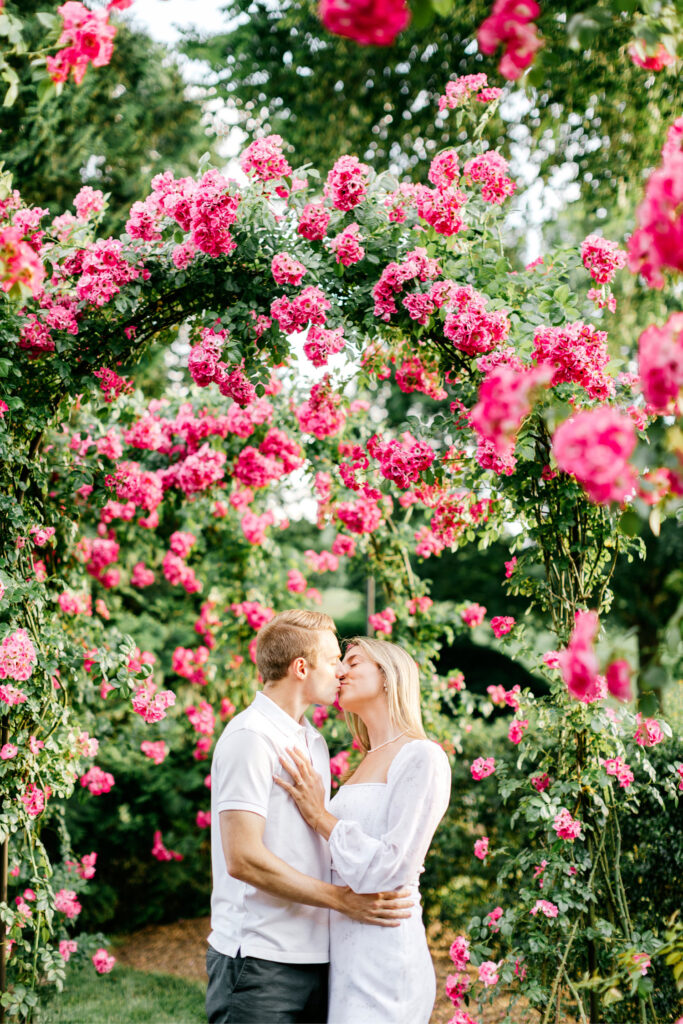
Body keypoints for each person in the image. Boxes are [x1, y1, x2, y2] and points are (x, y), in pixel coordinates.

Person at [206, 610, 414, 1024]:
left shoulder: (312, 741)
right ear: (301, 667)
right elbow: (243, 858)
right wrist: (342, 901)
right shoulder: (251, 737)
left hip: (318, 959)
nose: (341, 670)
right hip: (260, 960)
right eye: (334, 659)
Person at [274, 636, 452, 1024]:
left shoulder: (423, 756)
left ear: (388, 676)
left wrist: (320, 815)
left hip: (386, 952)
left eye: (353, 662)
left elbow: (392, 868)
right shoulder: (364, 763)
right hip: (345, 951)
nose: (341, 671)